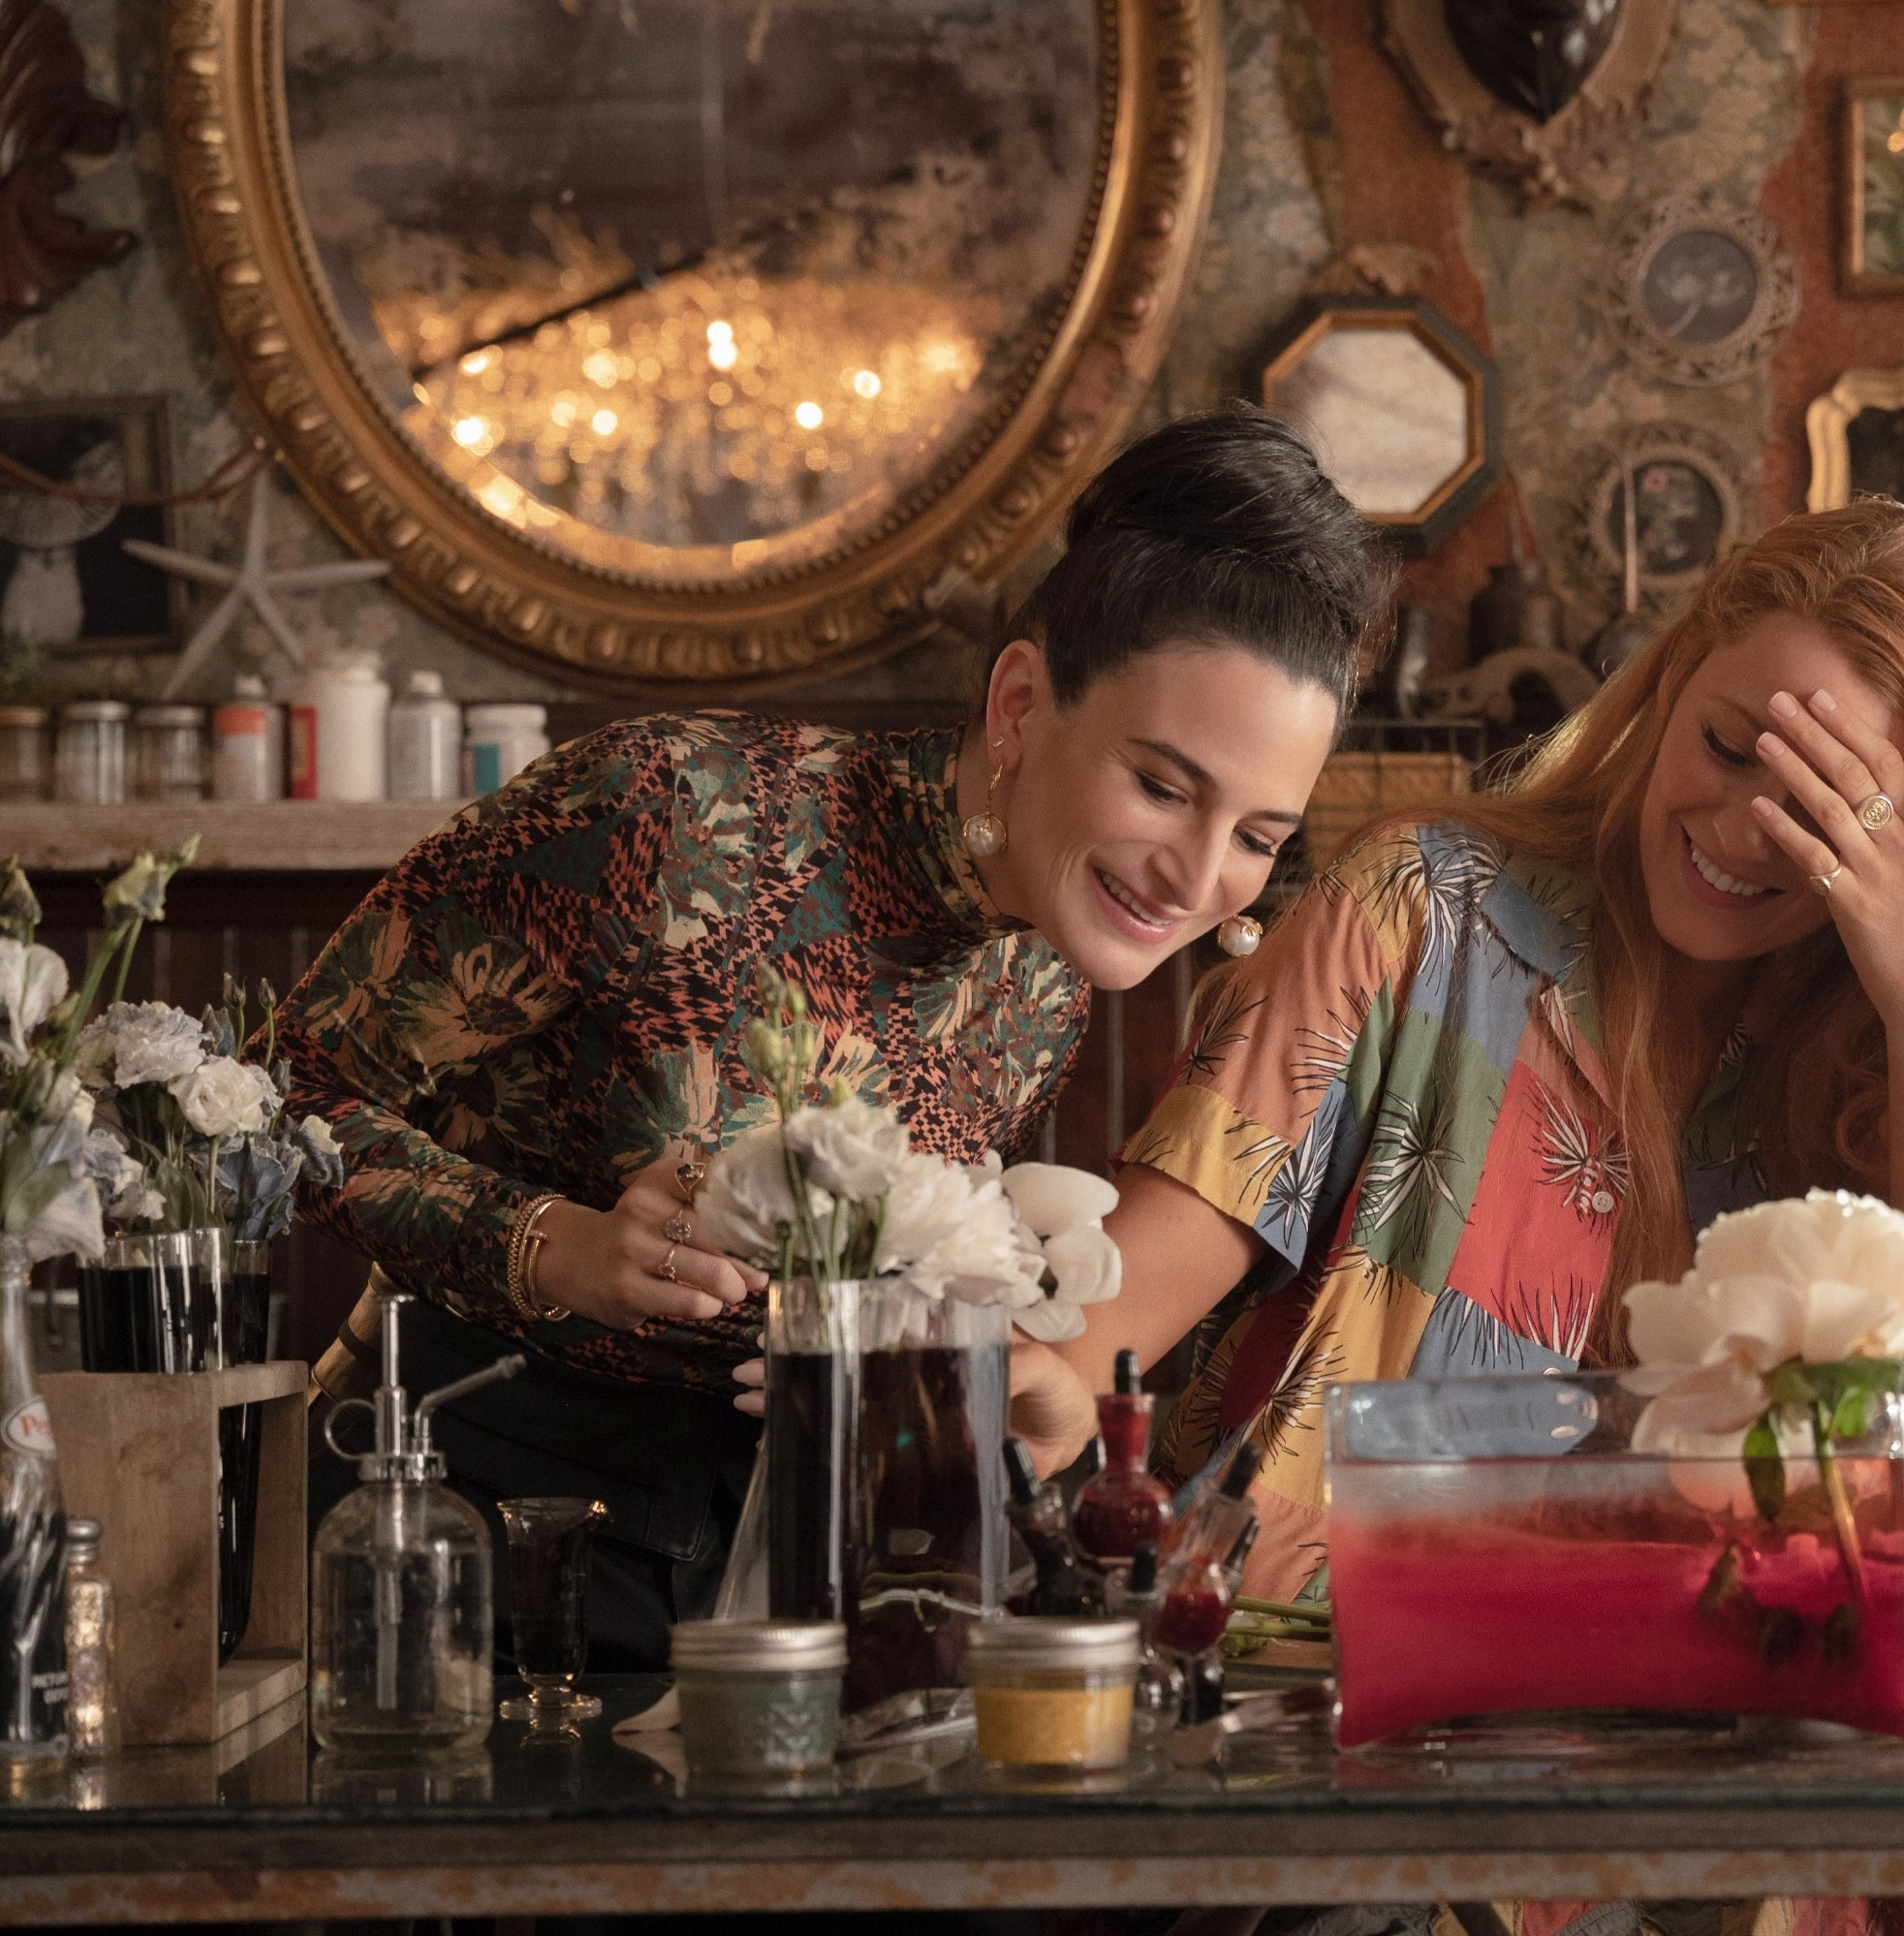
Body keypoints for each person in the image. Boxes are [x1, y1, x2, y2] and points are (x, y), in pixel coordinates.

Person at [281, 407, 1392, 1667]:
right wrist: (552, 1247)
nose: (1197, 876)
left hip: (795, 1568)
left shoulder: (1047, 970)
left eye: (1257, 835)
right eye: (1164, 784)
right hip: (461, 1533)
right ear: (1022, 701)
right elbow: (284, 1095)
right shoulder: (664, 818)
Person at [1060, 498, 1904, 1606]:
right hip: (1321, 1705)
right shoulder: (1419, 917)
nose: (1735, 832)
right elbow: (1107, 1330)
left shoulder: (1883, 1073)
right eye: (1726, 747)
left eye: (1824, 818)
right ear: (1671, 685)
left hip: (1716, 1734)